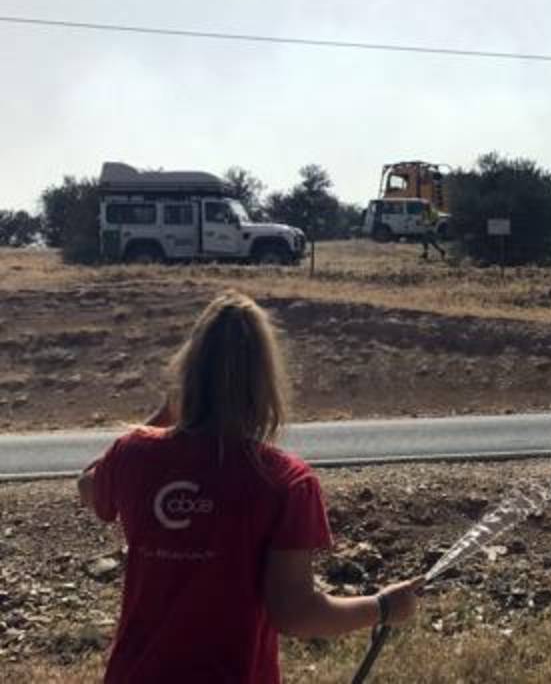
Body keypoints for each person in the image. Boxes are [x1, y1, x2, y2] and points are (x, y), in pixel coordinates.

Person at [77, 291, 424, 683]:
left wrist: (168, 410)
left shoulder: (133, 454)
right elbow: (294, 613)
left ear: (188, 371)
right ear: (266, 384)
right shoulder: (286, 482)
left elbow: (89, 485)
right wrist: (382, 607)